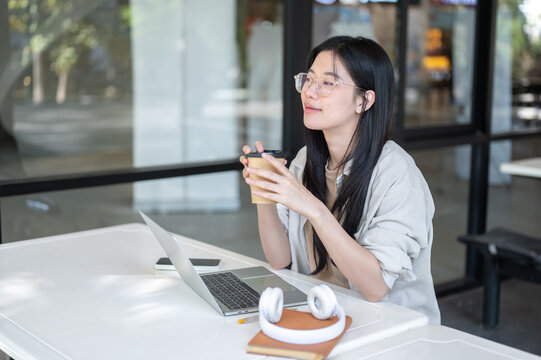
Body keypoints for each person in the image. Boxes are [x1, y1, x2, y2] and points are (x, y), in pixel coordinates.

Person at [239, 36, 440, 324]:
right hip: (325, 317)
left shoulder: (397, 174)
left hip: (391, 329)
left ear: (364, 100)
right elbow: (279, 260)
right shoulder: (306, 161)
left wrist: (313, 208)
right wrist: (265, 194)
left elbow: (375, 287)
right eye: (308, 79)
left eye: (328, 83)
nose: (310, 91)